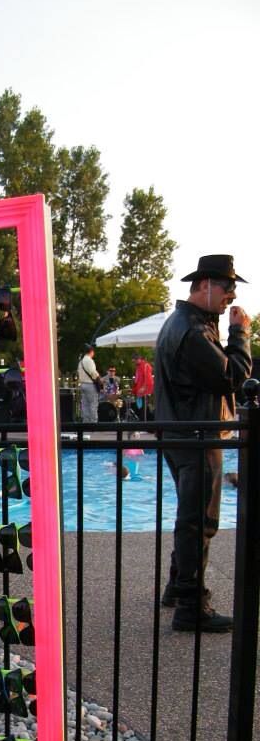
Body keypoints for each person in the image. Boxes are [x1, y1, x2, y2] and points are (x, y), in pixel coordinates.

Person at [155, 254, 252, 633]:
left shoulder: (183, 324)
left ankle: (177, 588)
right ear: (205, 285)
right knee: (200, 521)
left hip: (182, 433)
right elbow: (233, 376)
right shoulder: (193, 331)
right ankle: (192, 607)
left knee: (189, 514)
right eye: (227, 287)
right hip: (197, 436)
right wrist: (240, 333)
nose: (231, 296)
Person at [77, 344, 101, 423]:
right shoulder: (89, 360)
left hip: (83, 384)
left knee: (85, 405)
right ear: (91, 351)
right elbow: (93, 372)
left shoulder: (81, 361)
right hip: (90, 385)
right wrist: (99, 378)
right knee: (93, 404)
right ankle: (93, 423)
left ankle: (86, 423)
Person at [131, 352, 154, 421]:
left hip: (145, 390)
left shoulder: (145, 365)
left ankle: (145, 424)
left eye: (134, 361)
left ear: (138, 359)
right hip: (139, 391)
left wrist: (144, 387)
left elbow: (148, 378)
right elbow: (138, 379)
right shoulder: (138, 367)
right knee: (141, 407)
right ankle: (147, 425)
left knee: (143, 408)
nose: (134, 362)